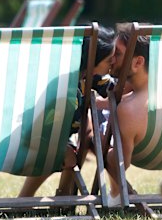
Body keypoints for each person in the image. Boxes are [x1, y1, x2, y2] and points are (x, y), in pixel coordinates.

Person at [18, 23, 116, 197]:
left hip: (61, 136)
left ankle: (63, 198)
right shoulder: (62, 88)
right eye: (109, 60)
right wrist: (62, 147)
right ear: (92, 61)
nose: (113, 62)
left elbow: (115, 89)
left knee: (81, 144)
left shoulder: (90, 77)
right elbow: (40, 126)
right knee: (69, 153)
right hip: (37, 137)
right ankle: (25, 197)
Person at [104, 23, 150, 206]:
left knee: (95, 139)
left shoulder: (129, 110)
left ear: (138, 62)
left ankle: (116, 196)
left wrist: (102, 145)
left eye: (118, 54)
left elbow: (122, 163)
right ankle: (115, 196)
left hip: (144, 152)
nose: (111, 59)